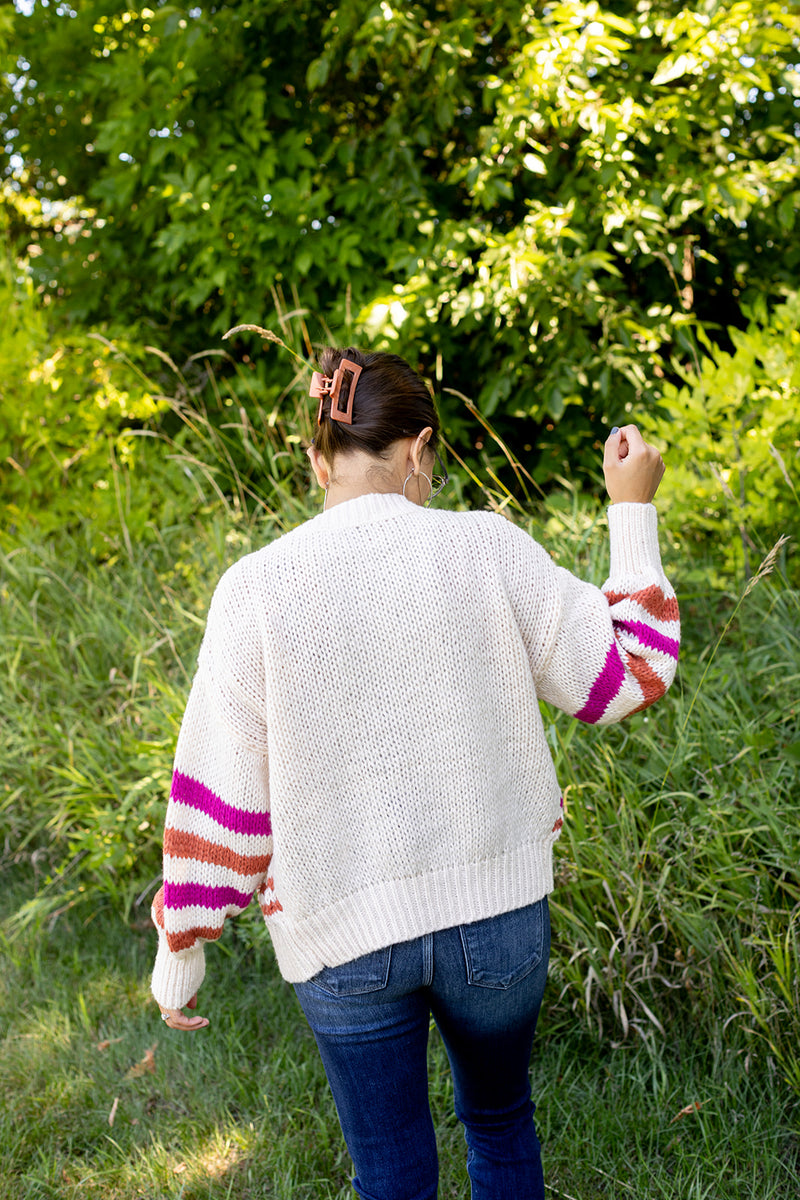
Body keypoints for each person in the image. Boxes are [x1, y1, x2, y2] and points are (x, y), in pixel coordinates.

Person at [150, 346, 679, 1200]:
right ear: (422, 447)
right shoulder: (485, 548)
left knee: (391, 1174)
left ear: (319, 458)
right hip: (499, 917)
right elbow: (628, 677)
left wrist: (182, 948)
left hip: (343, 937)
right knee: (503, 1125)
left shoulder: (255, 590)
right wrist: (632, 511)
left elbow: (224, 802)